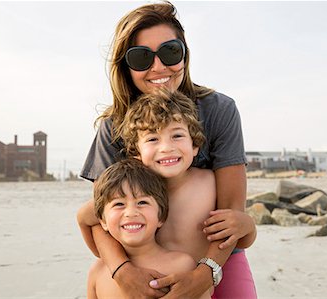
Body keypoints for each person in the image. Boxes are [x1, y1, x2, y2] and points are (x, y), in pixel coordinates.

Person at [79, 1, 257, 298]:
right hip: (138, 263)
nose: (158, 67)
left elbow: (233, 217)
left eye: (170, 52)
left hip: (218, 256)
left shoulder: (218, 110)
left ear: (185, 53)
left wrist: (206, 272)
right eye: (140, 58)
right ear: (125, 65)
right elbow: (102, 217)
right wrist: (123, 272)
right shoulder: (114, 126)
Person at [87, 158, 211, 299]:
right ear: (103, 221)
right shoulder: (98, 272)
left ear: (161, 217)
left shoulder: (182, 265)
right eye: (119, 204)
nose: (131, 212)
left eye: (142, 202)